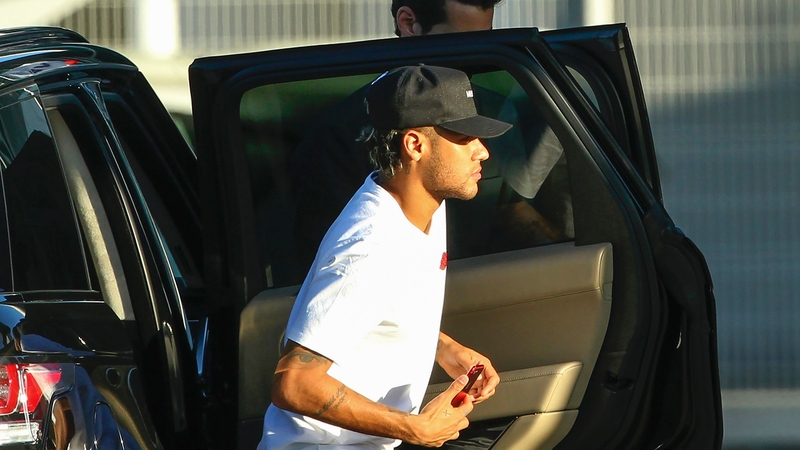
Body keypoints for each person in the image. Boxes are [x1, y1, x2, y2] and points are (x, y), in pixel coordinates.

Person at [259, 65, 510, 450]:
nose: (482, 151)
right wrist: (414, 428)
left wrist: (442, 347)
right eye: (464, 138)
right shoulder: (369, 247)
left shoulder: (422, 202)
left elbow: (384, 301)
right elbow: (294, 382)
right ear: (415, 145)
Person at [290, 0, 507, 272]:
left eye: (485, 44)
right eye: (461, 44)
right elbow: (335, 263)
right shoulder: (340, 137)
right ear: (408, 23)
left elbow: (509, 213)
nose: (482, 151)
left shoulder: (492, 109)